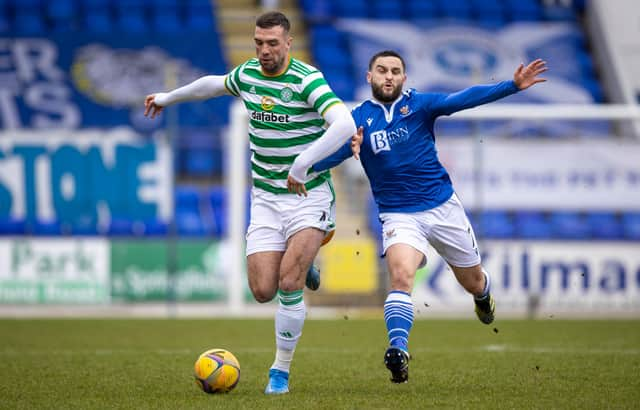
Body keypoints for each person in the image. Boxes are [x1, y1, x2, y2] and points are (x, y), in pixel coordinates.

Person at [144, 11, 356, 394]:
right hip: (266, 199)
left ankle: (280, 372)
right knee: (262, 291)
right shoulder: (248, 75)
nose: (264, 51)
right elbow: (213, 84)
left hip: (308, 196)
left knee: (288, 283)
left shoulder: (308, 79)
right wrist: (167, 97)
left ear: (288, 43)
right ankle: (303, 261)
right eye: (258, 43)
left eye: (272, 43)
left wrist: (303, 163)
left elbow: (343, 124)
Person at [313, 50, 547, 383]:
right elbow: (332, 156)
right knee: (401, 278)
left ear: (404, 78)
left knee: (472, 281)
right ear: (369, 77)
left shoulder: (420, 105)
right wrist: (308, 166)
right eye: (382, 70)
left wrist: (511, 85)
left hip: (442, 208)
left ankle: (482, 296)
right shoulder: (357, 120)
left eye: (395, 71)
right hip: (398, 216)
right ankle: (398, 350)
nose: (389, 76)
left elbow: (463, 99)